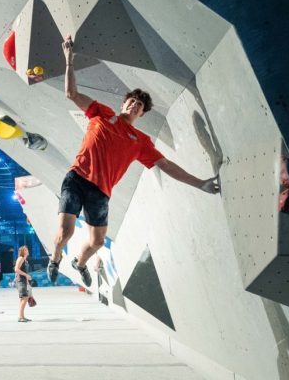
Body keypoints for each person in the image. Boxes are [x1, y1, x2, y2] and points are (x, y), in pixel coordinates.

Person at [47, 35, 220, 287]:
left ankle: (80, 263)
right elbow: (71, 93)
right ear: (123, 103)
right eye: (132, 101)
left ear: (142, 113)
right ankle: (54, 259)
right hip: (77, 178)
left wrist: (200, 183)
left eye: (139, 106)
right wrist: (69, 60)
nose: (134, 106)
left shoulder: (140, 140)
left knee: (96, 242)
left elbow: (167, 166)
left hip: (101, 191)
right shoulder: (102, 114)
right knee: (66, 232)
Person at [14, 246, 33, 323]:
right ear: (22, 251)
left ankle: (22, 316)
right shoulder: (20, 258)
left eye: (27, 249)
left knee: (23, 299)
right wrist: (26, 275)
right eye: (25, 249)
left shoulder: (25, 260)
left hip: (24, 281)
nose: (27, 250)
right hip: (20, 281)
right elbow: (16, 269)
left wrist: (28, 283)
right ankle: (20, 317)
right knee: (24, 298)